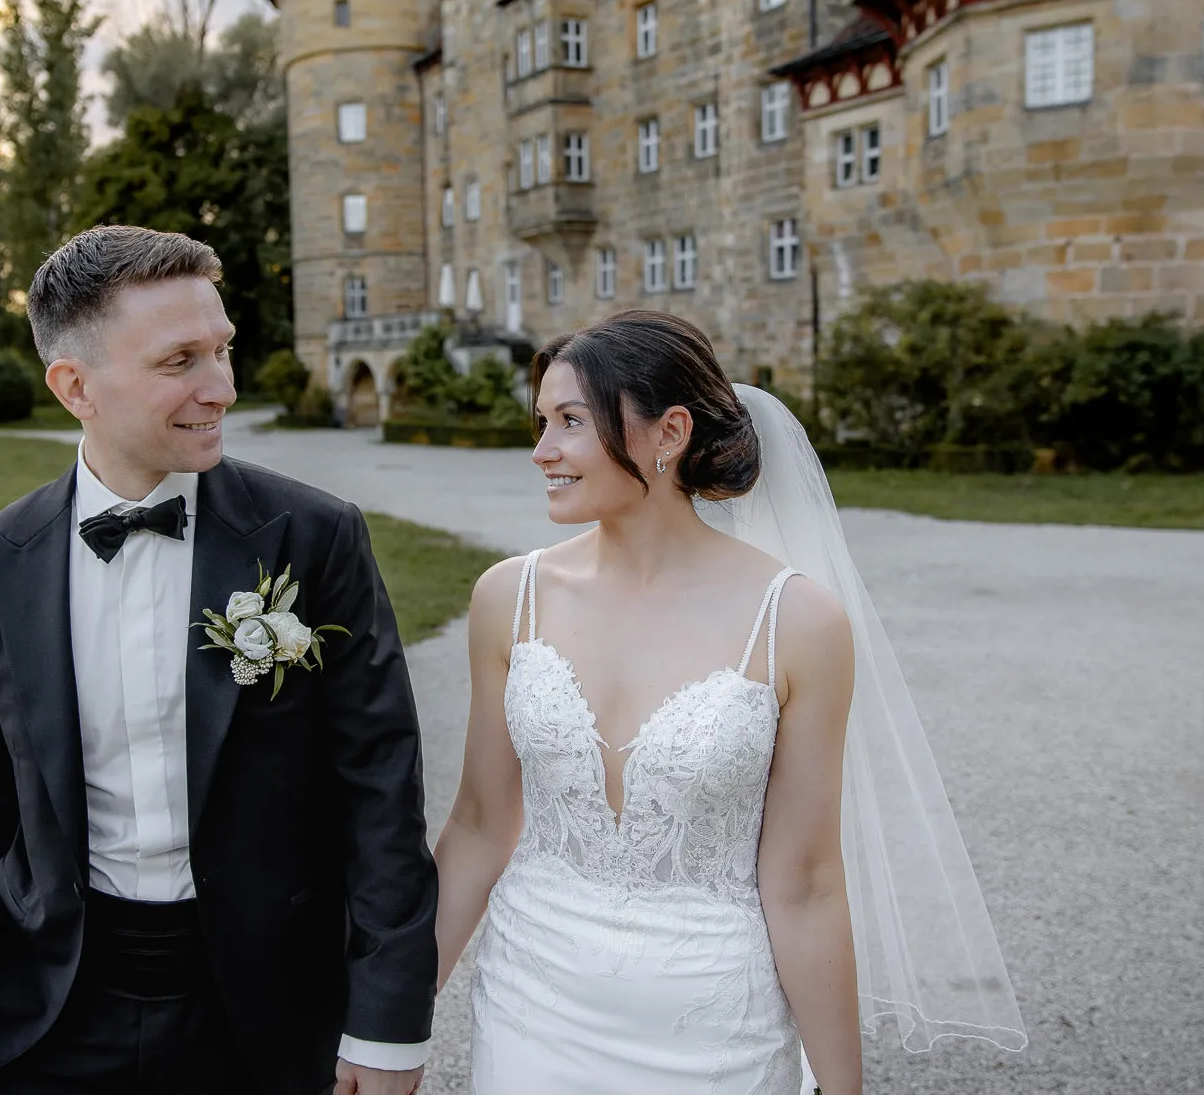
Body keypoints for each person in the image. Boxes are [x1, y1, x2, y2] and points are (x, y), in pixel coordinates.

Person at [434, 310, 1025, 1095]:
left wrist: (842, 1088)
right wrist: (388, 1020)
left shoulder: (798, 622)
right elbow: (477, 824)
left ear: (668, 433)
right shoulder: (509, 596)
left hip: (714, 1025)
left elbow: (807, 881)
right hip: (530, 1002)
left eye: (569, 422)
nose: (542, 451)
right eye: (542, 422)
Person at [0, 224, 437, 1095]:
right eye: (181, 361)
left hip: (261, 1010)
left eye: (223, 350)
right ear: (74, 386)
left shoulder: (314, 538)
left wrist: (387, 1026)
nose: (223, 388)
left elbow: (381, 786)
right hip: (52, 1011)